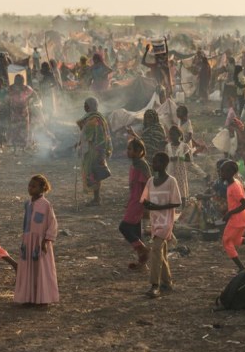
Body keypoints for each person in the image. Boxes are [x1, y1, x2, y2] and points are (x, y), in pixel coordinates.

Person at [14, 175, 59, 307]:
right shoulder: (27, 204)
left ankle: (41, 298)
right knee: (28, 268)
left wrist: (45, 241)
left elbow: (52, 224)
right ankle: (28, 297)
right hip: (28, 240)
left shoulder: (46, 205)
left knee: (40, 269)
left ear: (42, 188)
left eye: (34, 186)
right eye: (29, 185)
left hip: (40, 243)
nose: (30, 188)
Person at [141, 152, 181, 298]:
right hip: (155, 221)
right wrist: (148, 206)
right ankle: (167, 282)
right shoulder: (151, 181)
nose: (153, 165)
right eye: (153, 162)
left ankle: (154, 285)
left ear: (164, 164)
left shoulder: (171, 181)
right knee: (161, 251)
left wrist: (157, 207)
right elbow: (144, 199)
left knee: (156, 249)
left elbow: (177, 202)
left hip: (166, 221)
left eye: (157, 162)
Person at [119, 139, 151, 270]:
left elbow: (147, 185)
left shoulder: (141, 166)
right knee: (136, 230)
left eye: (130, 149)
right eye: (128, 149)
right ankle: (142, 263)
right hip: (134, 200)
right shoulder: (134, 164)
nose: (128, 152)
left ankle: (142, 248)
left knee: (124, 227)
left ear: (139, 151)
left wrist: (145, 204)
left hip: (138, 201)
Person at [77, 97, 112, 206]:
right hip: (99, 149)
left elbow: (87, 135)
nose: (84, 106)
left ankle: (96, 199)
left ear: (90, 106)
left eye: (86, 104)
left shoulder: (93, 119)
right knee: (96, 172)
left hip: (94, 150)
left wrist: (80, 143)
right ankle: (96, 198)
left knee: (94, 172)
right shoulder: (99, 117)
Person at [221, 160, 245, 271]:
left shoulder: (234, 186)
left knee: (226, 241)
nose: (221, 174)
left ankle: (241, 268)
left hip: (237, 219)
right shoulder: (235, 182)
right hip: (242, 218)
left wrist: (229, 213)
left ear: (231, 172)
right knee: (235, 240)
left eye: (223, 171)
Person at [165, 126, 192, 205]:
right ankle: (171, 208)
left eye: (174, 134)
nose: (172, 136)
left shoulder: (184, 146)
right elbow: (165, 158)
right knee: (171, 189)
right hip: (170, 171)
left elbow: (188, 159)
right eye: (171, 135)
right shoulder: (168, 146)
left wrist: (179, 158)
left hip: (180, 171)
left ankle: (183, 208)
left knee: (182, 190)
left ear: (179, 135)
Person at [8, 74, 34, 153]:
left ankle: (23, 148)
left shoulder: (26, 88)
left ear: (22, 80)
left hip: (23, 111)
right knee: (15, 129)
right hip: (15, 111)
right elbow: (8, 97)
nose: (19, 81)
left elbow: (33, 94)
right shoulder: (11, 88)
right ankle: (15, 148)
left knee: (24, 129)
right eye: (17, 79)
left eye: (20, 79)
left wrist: (28, 101)